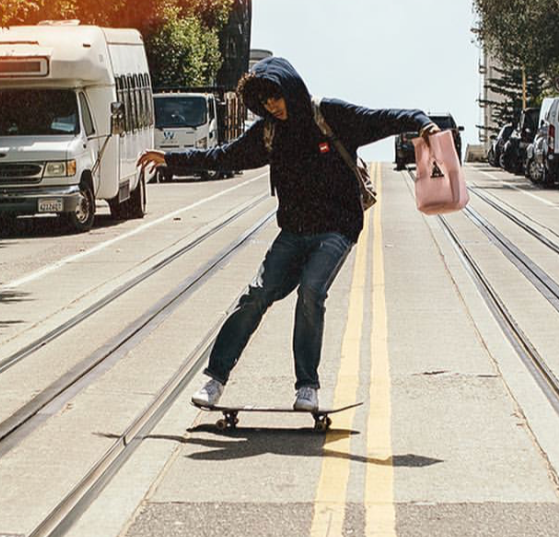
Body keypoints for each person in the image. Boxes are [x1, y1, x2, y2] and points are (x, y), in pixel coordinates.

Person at [137, 58, 438, 412]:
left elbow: (384, 118)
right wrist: (171, 160)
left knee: (312, 290)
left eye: (276, 98)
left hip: (336, 228)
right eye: (264, 103)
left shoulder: (329, 115)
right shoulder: (269, 132)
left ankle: (307, 387)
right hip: (293, 232)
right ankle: (215, 379)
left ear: (291, 89)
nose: (272, 107)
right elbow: (223, 156)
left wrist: (423, 123)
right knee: (256, 295)